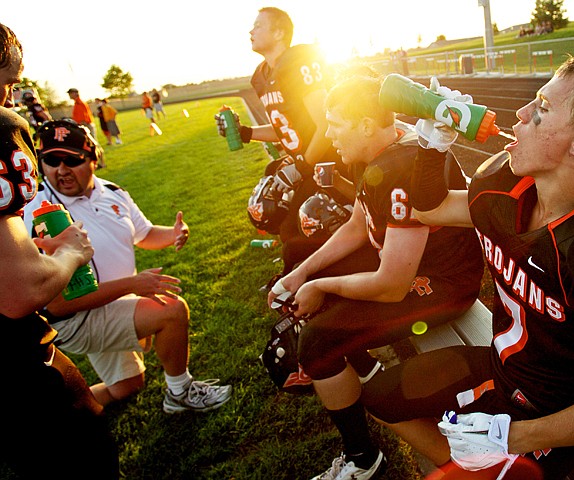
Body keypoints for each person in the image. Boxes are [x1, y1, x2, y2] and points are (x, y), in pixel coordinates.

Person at [360, 55, 574, 480]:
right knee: (379, 396)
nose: (521, 114)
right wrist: (431, 148)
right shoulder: (507, 184)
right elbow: (431, 208)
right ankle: (471, 468)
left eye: (541, 108)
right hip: (503, 364)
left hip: (557, 405)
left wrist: (512, 437)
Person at [268, 75, 485, 480]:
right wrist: (302, 273)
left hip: (439, 283)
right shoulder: (380, 145)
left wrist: (319, 286)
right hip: (406, 262)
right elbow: (356, 224)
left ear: (367, 125)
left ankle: (363, 459)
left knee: (316, 341)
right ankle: (361, 370)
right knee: (298, 253)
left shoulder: (400, 165)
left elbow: (392, 285)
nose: (328, 133)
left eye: (335, 123)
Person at [24, 118, 232, 413]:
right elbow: (58, 305)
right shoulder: (40, 214)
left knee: (127, 385)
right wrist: (132, 285)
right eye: (51, 160)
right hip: (78, 318)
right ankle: (180, 393)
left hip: (110, 303)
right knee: (171, 311)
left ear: (93, 159)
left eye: (72, 159)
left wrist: (172, 233)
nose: (61, 169)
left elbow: (143, 234)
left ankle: (56, 414)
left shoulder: (112, 191)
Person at [0, 23, 119, 478]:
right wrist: (68, 253)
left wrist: (25, 251)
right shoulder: (2, 128)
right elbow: (20, 291)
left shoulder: (112, 192)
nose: (10, 100)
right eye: (8, 83)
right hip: (16, 368)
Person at [219, 6, 354, 276]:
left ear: (279, 32)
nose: (251, 31)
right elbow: (285, 128)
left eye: (258, 25)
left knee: (300, 225)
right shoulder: (262, 75)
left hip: (330, 159)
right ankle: (298, 272)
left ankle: (315, 277)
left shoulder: (297, 63)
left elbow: (325, 124)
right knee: (267, 206)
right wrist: (246, 132)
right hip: (304, 162)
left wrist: (302, 166)